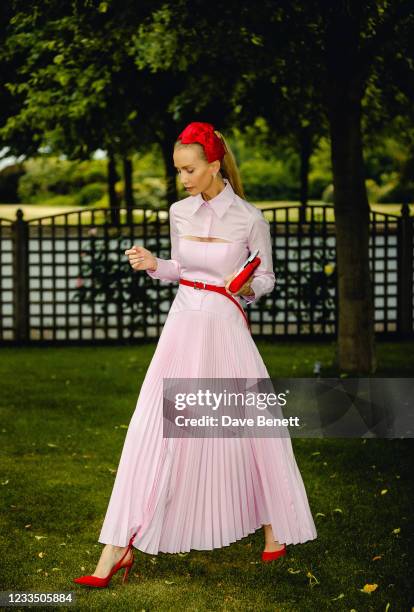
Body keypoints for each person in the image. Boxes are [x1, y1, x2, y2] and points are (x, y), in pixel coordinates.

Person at [73, 122, 317, 588]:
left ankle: (274, 527)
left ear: (214, 164)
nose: (183, 179)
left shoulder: (249, 218)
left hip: (225, 330)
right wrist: (154, 265)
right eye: (179, 171)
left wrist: (248, 286)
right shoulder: (179, 212)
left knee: (244, 427)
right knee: (154, 428)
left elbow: (265, 279)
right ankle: (115, 550)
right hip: (182, 328)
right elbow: (182, 268)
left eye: (189, 169)